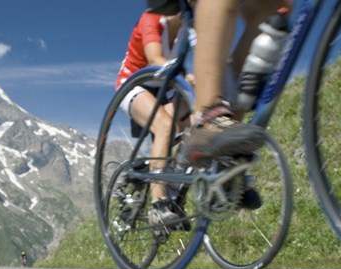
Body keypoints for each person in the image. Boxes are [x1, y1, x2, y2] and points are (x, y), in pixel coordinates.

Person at [147, 0, 290, 209]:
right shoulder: (152, 23)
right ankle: (207, 122)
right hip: (138, 85)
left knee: (275, 5)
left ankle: (225, 151)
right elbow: (153, 58)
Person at [116, 8, 195, 226]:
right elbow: (154, 58)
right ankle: (158, 204)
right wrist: (185, 78)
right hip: (134, 82)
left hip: (166, 85)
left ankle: (173, 186)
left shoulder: (188, 26)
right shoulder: (151, 18)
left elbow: (187, 56)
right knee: (164, 125)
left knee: (195, 128)